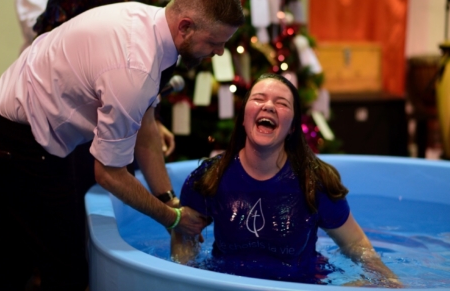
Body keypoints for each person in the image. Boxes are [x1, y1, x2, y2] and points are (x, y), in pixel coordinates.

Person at [0, 0, 245, 290]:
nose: (220, 53)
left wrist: (169, 200)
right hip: (16, 139)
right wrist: (172, 219)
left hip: (29, 128)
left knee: (19, 254)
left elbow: (146, 129)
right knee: (64, 269)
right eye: (215, 42)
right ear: (185, 26)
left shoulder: (152, 25)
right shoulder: (134, 69)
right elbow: (109, 174)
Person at [171, 73, 402, 288]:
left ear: (292, 127)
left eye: (281, 103)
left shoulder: (315, 180)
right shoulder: (209, 177)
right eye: (259, 99)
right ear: (243, 118)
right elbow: (184, 240)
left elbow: (355, 245)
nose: (269, 106)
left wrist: (388, 280)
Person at [33, 0, 175, 158]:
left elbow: (152, 63)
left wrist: (155, 122)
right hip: (74, 131)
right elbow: (44, 60)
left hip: (127, 125)